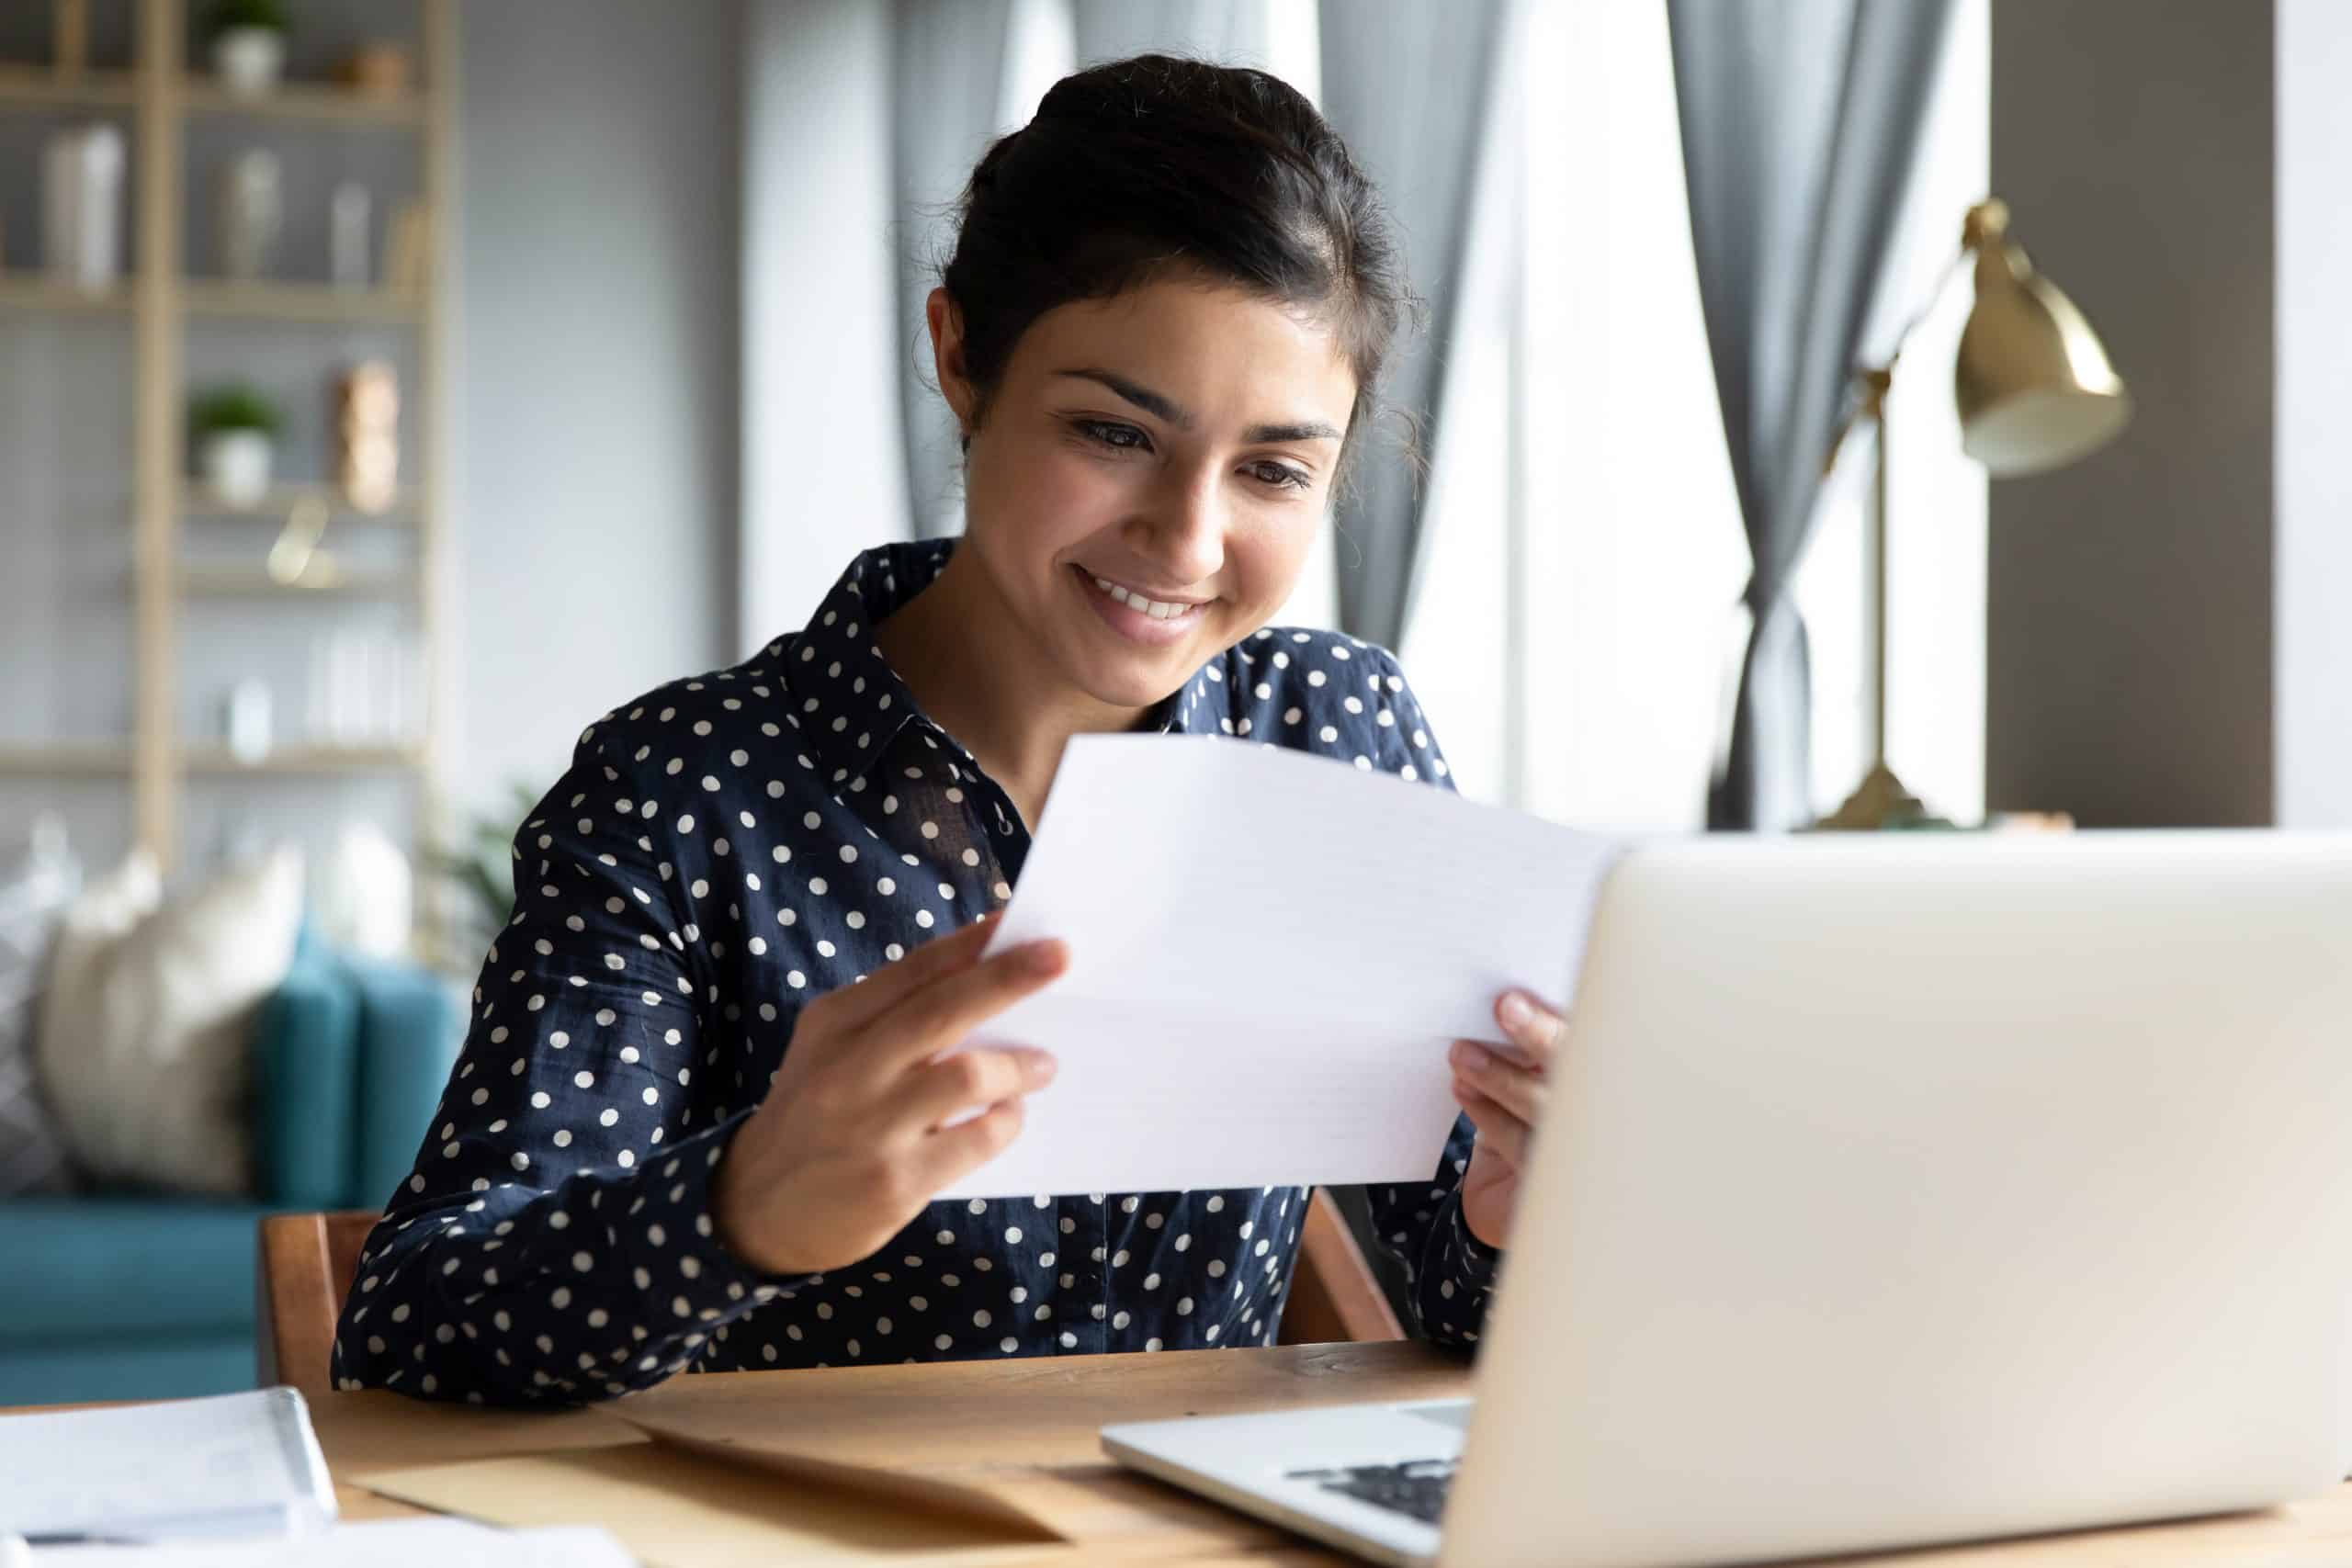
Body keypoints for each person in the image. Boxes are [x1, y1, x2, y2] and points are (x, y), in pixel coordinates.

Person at [334, 53, 1564, 1405]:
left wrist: (1527, 1214)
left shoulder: (1337, 734)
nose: (1188, 538)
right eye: (1112, 431)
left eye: (1273, 469)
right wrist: (733, 1213)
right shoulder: (681, 792)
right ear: (960, 358)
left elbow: (1454, 1292)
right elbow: (410, 1323)